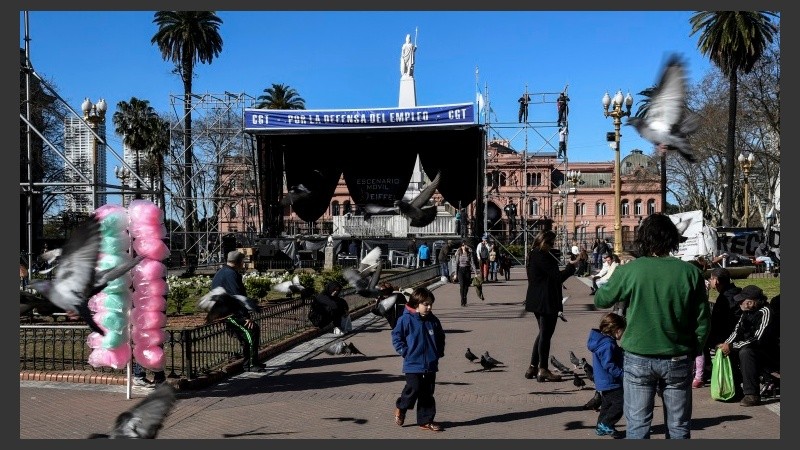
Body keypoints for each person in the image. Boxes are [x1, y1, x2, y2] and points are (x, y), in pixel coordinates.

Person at [594, 213, 709, 439]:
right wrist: (695, 349)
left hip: (639, 355)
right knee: (678, 426)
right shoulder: (690, 272)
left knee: (637, 425)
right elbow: (702, 320)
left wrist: (617, 273)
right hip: (678, 354)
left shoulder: (632, 270)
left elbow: (601, 300)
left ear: (643, 239)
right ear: (673, 240)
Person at [523, 230, 579, 382]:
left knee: (542, 333)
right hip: (546, 300)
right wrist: (571, 267)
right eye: (551, 243)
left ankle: (533, 367)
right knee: (546, 336)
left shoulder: (533, 254)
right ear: (544, 242)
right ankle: (543, 369)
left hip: (537, 299)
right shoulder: (542, 255)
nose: (552, 246)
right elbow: (557, 278)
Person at [391, 287, 446, 432]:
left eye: (430, 304)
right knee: (413, 388)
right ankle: (401, 407)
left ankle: (426, 420)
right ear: (416, 304)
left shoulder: (433, 320)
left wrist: (438, 351)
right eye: (426, 304)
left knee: (427, 393)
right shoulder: (406, 319)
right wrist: (404, 351)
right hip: (412, 362)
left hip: (430, 363)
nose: (429, 307)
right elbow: (397, 337)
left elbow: (440, 337)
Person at [717, 285, 775, 407]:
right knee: (728, 352)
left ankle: (752, 394)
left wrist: (733, 346)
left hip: (767, 351)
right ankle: (735, 389)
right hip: (751, 347)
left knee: (746, 352)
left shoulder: (765, 311)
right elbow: (737, 331)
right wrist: (727, 344)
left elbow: (757, 339)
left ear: (751, 301)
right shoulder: (746, 313)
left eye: (741, 301)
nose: (739, 303)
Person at [210, 250, 266, 372]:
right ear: (238, 262)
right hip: (230, 312)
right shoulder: (231, 274)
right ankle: (251, 364)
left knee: (247, 334)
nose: (243, 264)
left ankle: (251, 362)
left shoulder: (222, 272)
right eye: (242, 261)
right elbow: (237, 296)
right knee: (251, 331)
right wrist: (245, 316)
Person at [587, 312, 627, 438]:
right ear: (616, 330)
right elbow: (609, 364)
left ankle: (601, 426)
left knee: (606, 405)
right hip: (611, 381)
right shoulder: (608, 345)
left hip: (603, 381)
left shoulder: (602, 341)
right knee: (621, 403)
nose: (622, 334)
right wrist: (622, 375)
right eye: (622, 331)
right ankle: (607, 424)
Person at [703, 267, 742, 385]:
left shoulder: (725, 298)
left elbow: (720, 321)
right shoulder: (733, 292)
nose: (709, 281)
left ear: (717, 281)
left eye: (711, 278)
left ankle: (707, 370)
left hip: (726, 335)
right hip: (729, 333)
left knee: (702, 341)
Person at [454, 240, 479, 307]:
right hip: (460, 270)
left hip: (467, 270)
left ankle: (465, 297)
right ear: (461, 246)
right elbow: (456, 263)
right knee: (462, 285)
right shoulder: (459, 252)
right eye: (462, 245)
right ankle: (462, 300)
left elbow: (472, 263)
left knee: (466, 286)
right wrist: (455, 274)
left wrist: (476, 273)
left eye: (464, 245)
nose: (463, 247)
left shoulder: (469, 253)